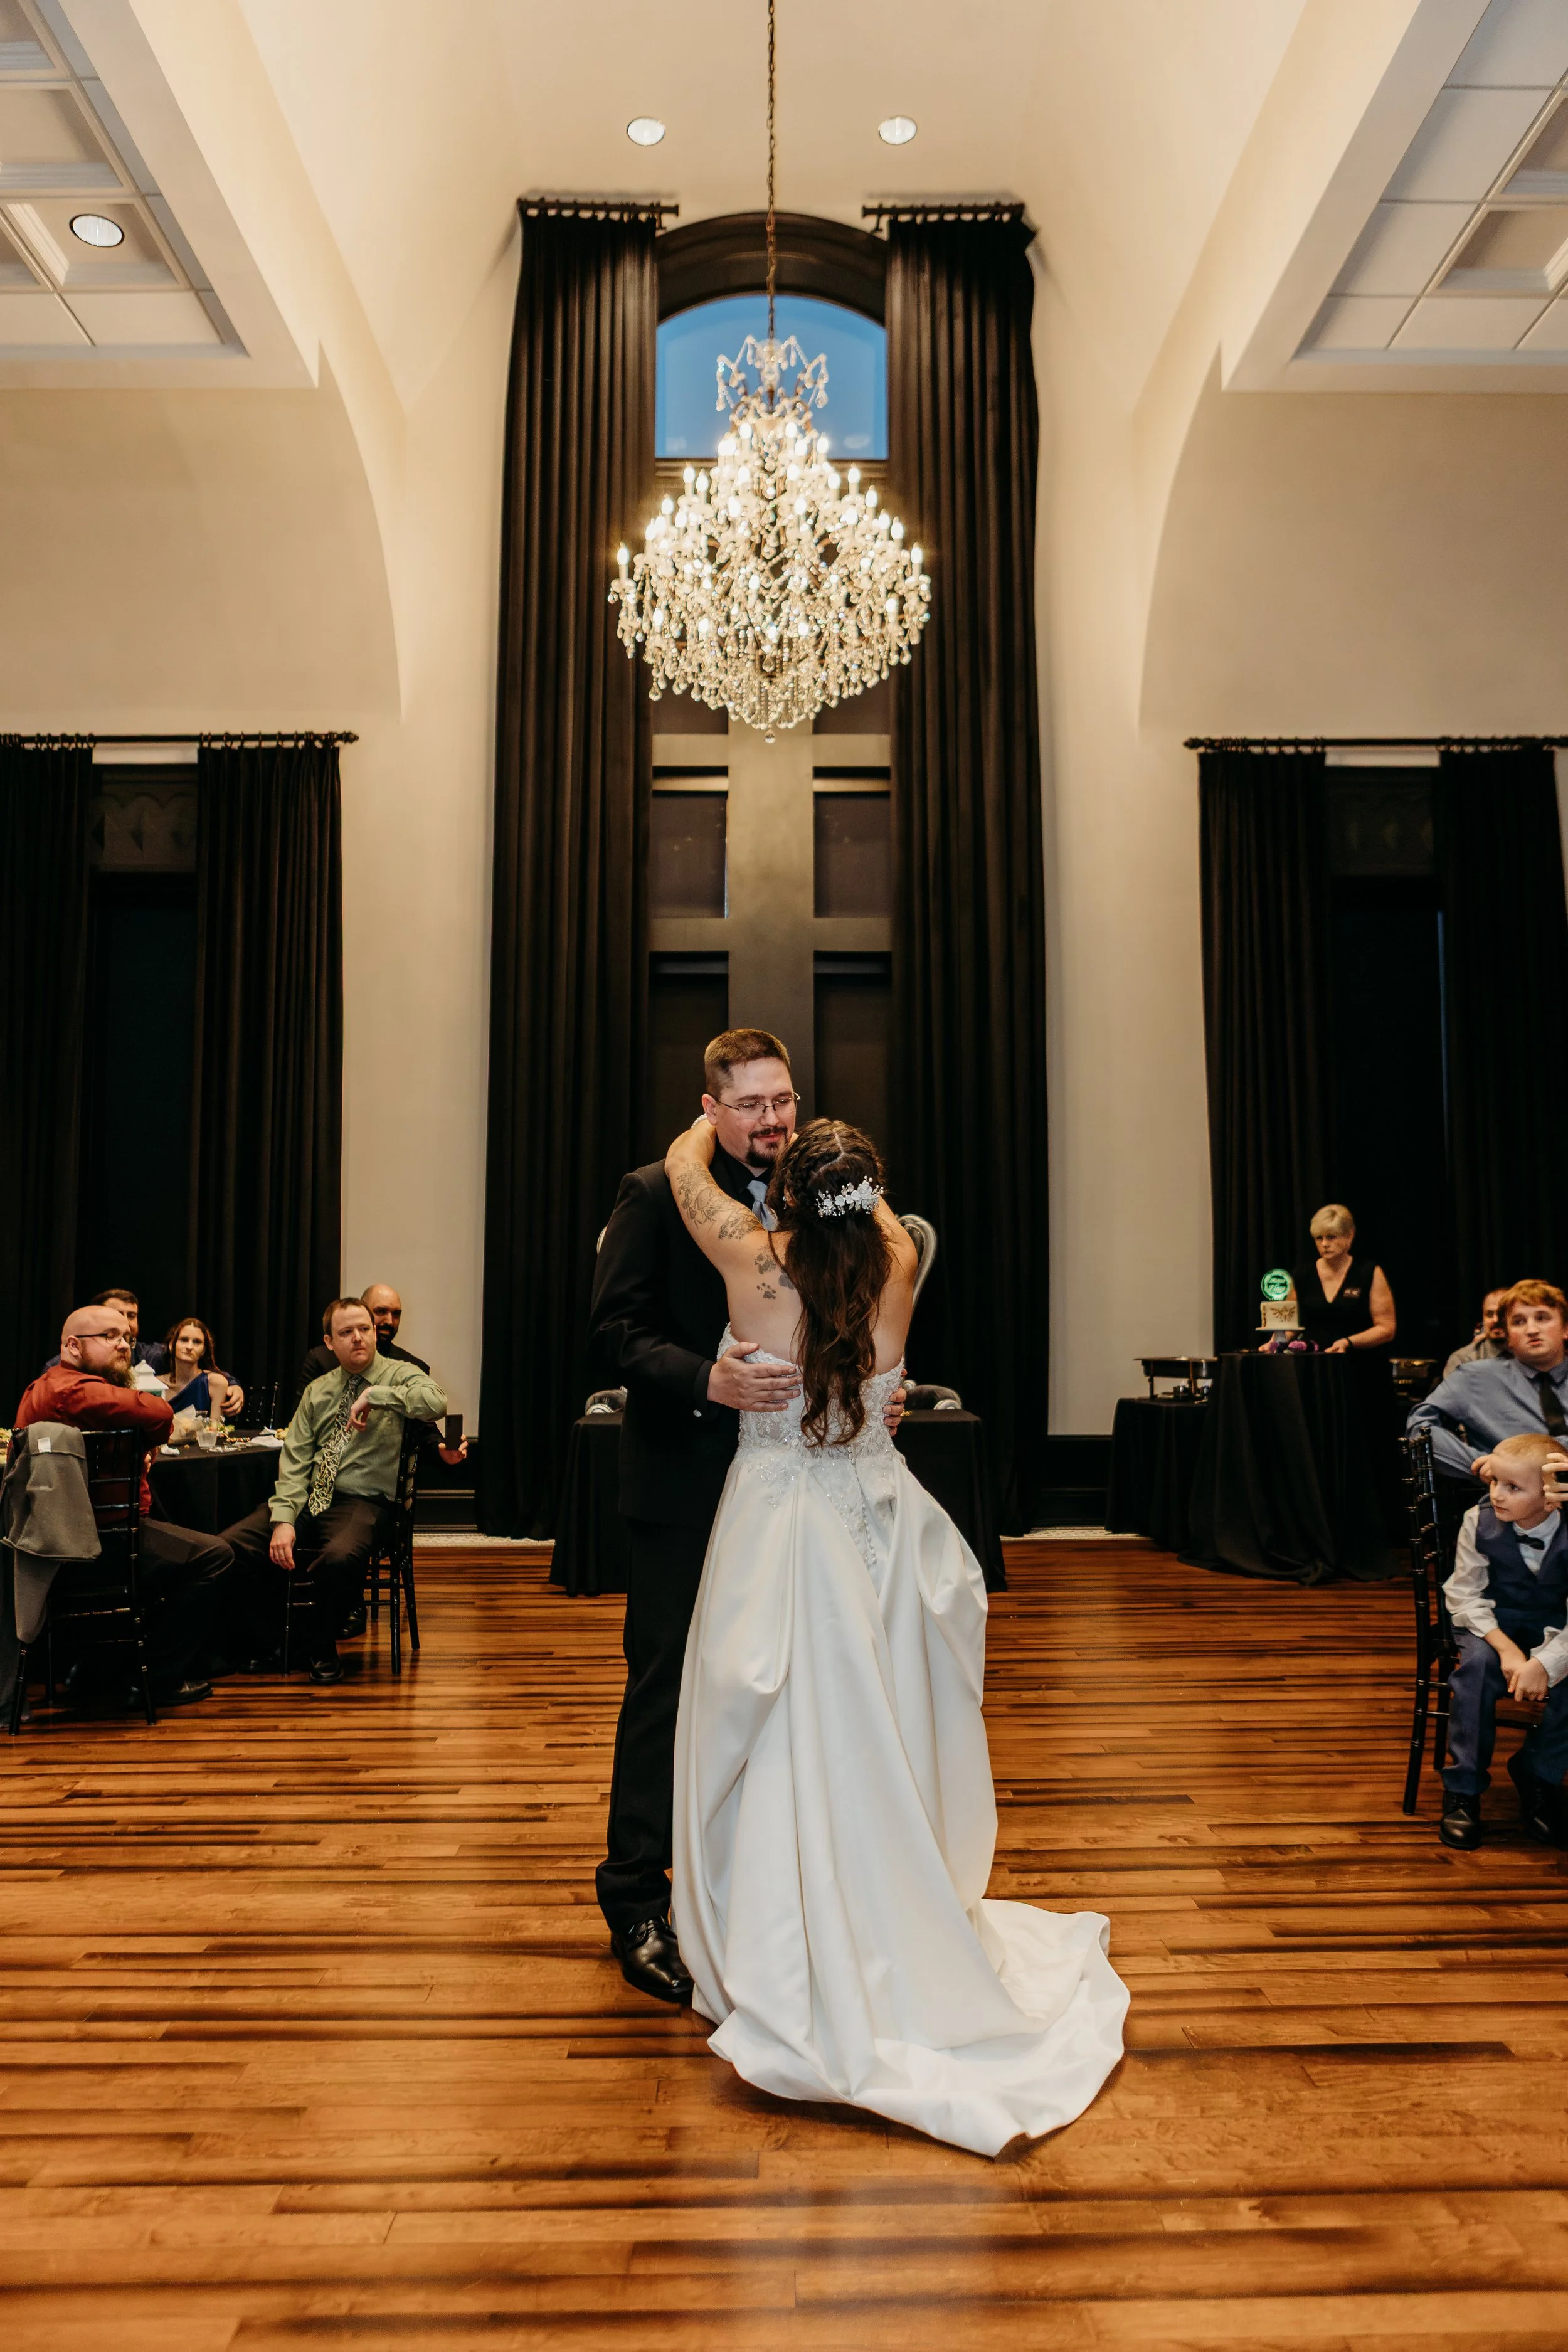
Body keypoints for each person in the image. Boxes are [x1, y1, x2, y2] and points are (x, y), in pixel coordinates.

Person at [663, 1112, 1128, 2157]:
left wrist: (720, 1122)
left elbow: (691, 1176)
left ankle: (773, 1932)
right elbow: (857, 1209)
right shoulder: (900, 1256)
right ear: (867, 1197)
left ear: (784, 1199)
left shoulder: (753, 1263)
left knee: (772, 1723)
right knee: (876, 1721)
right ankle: (884, 1912)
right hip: (873, 1514)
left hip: (780, 1516)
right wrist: (836, 1175)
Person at [587, 1028, 810, 2001]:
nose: (773, 1120)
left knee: (778, 1682)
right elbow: (613, 1332)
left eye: (784, 1100)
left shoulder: (820, 1187)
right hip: (682, 1484)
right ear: (710, 1109)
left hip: (791, 1480)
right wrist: (702, 1379)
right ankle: (637, 1899)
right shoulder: (651, 1191)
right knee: (667, 1690)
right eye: (753, 1104)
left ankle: (752, 1884)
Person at [13, 1301, 233, 1705]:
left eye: (127, 1338)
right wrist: (148, 1438)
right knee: (214, 1555)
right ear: (73, 1347)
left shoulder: (50, 1385)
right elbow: (159, 1410)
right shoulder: (72, 1390)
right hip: (95, 1543)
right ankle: (154, 1678)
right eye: (110, 1337)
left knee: (176, 1531)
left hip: (77, 1537)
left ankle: (102, 1667)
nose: (124, 1346)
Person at [219, 1298, 447, 1684]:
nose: (358, 1338)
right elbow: (294, 1460)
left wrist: (376, 1395)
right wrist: (285, 1519)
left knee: (340, 1557)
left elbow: (436, 1403)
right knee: (231, 1546)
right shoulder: (318, 1392)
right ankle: (271, 1642)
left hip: (365, 1501)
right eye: (346, 1332)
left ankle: (316, 1643)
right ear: (330, 1342)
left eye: (364, 1329)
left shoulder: (400, 1374)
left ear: (374, 1333)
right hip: (312, 1496)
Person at [1438, 1432, 1568, 1851]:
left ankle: (1540, 1776)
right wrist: (1508, 1651)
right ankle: (1464, 1788)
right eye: (1495, 1482)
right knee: (1475, 1671)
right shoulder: (1478, 1520)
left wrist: (1545, 1664)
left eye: (1513, 1487)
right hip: (1490, 1621)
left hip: (1556, 1623)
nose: (1497, 1494)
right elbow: (1464, 1594)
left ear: (1551, 1497)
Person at [1408, 1280, 1568, 1481]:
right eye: (1518, 1322)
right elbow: (1419, 1428)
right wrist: (1481, 1465)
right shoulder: (1474, 1378)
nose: (1532, 1330)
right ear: (1508, 1337)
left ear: (1566, 1329)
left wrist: (1526, 1462)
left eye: (1542, 1318)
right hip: (1511, 1503)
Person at [292, 1285, 465, 1468]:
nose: (389, 1321)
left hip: (375, 1478)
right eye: (381, 1312)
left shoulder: (411, 1366)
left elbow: (423, 1427)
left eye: (396, 1314)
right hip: (321, 1472)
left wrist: (442, 1451)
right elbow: (301, 1423)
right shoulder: (322, 1360)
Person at [41, 1288, 245, 1417]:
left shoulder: (151, 1355)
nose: (127, 1322)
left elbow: (192, 1360)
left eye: (132, 1316)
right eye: (118, 1314)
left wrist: (233, 1384)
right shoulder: (65, 1362)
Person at [1280, 1205, 1397, 1353]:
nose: (1324, 1244)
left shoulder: (1368, 1272)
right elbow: (1291, 1326)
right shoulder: (1302, 1275)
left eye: (1331, 1237)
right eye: (1319, 1238)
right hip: (1315, 1364)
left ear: (1350, 1236)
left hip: (1359, 1363)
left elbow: (1387, 1329)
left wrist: (1348, 1342)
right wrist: (1275, 1343)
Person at [162, 1316, 229, 1425]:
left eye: (197, 1342)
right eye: (184, 1340)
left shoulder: (216, 1383)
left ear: (203, 1351)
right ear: (172, 1346)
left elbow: (215, 1430)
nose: (189, 1347)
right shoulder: (155, 1384)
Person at [1443, 1288, 1510, 1379]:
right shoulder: (1463, 1360)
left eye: (1502, 1314)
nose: (1496, 1320)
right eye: (1489, 1314)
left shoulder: (1528, 1356)